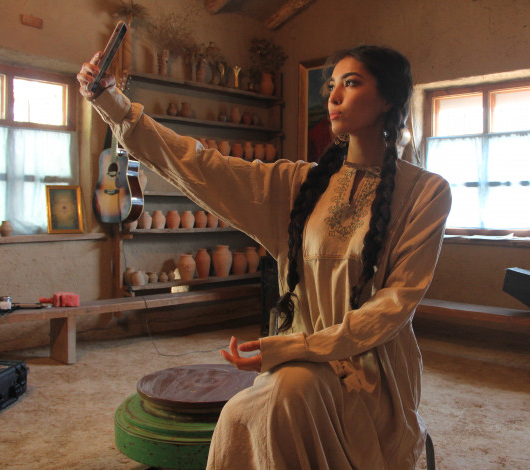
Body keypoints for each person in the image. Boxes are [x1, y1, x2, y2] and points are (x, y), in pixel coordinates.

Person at [78, 44, 451, 470]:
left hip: (373, 370)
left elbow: (393, 307)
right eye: (332, 85)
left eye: (351, 84)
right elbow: (199, 165)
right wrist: (114, 104)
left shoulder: (427, 192)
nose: (333, 96)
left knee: (284, 398)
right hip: (298, 360)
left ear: (388, 99)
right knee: (241, 414)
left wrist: (294, 347)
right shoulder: (298, 184)